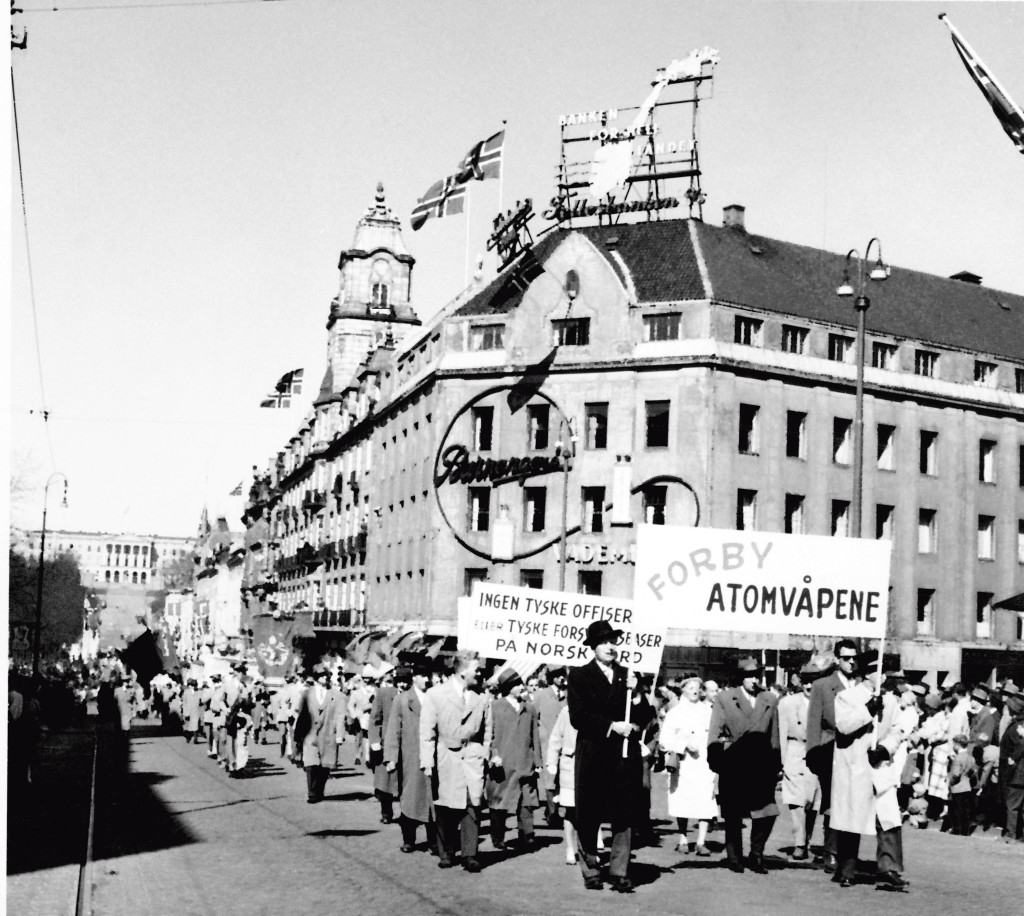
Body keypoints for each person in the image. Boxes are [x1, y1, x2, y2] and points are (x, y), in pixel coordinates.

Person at [567, 619, 656, 893]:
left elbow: (645, 716)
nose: (609, 646)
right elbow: (578, 717)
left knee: (623, 814)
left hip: (623, 757)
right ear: (593, 647)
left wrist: (638, 694)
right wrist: (611, 725)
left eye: (612, 641)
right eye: (603, 642)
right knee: (589, 815)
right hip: (593, 755)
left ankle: (619, 871)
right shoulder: (580, 676)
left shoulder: (628, 675)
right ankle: (591, 869)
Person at [831, 665, 912, 891]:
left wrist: (886, 749)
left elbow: (898, 730)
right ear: (866, 674)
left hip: (880, 766)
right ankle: (846, 869)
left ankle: (889, 869)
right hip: (855, 767)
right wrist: (868, 710)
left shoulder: (891, 701)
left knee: (889, 818)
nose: (884, 677)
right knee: (852, 819)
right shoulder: (846, 697)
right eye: (879, 672)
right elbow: (844, 726)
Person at [707, 656, 780, 875]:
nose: (753, 680)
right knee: (733, 813)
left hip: (761, 763)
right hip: (734, 762)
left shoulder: (769, 699)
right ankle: (734, 856)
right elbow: (715, 731)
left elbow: (774, 734)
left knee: (767, 812)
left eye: (756, 675)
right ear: (741, 678)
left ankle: (756, 854)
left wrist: (776, 763)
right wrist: (716, 758)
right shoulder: (725, 698)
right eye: (749, 676)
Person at [420, 651, 492, 872]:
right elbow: (427, 732)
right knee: (445, 807)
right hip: (445, 757)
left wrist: (485, 754)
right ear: (462, 672)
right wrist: (427, 761)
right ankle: (447, 851)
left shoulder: (482, 698)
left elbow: (488, 731)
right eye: (476, 670)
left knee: (473, 805)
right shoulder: (435, 694)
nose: (480, 674)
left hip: (472, 757)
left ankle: (470, 854)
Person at [805, 638, 859, 872]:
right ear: (837, 659)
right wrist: (813, 754)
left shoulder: (862, 685)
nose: (851, 663)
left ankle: (848, 852)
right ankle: (831, 851)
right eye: (846, 658)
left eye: (854, 658)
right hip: (831, 749)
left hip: (857, 752)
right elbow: (813, 723)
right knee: (832, 801)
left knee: (853, 802)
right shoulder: (823, 686)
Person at [660, 676, 717, 856]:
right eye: (690, 687)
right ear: (683, 690)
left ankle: (701, 841)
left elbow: (715, 734)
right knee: (682, 799)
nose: (694, 690)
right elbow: (664, 740)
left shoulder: (707, 711)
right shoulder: (675, 712)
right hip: (683, 762)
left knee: (705, 799)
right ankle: (683, 838)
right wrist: (683, 745)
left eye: (697, 687)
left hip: (703, 762)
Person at [384, 660, 437, 854]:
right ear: (415, 677)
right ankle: (409, 839)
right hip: (410, 756)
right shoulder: (403, 699)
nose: (427, 680)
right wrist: (391, 757)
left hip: (432, 755)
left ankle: (433, 841)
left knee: (432, 800)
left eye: (429, 676)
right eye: (423, 676)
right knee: (410, 798)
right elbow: (393, 730)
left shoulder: (435, 697)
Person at [487, 669, 543, 851]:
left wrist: (538, 762)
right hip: (503, 764)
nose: (522, 687)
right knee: (499, 802)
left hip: (525, 764)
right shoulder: (495, 707)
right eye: (518, 685)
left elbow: (535, 736)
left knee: (527, 802)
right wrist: (493, 754)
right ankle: (498, 837)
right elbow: (489, 734)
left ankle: (527, 836)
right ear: (508, 688)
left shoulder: (529, 708)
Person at [777, 662, 828, 860]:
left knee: (813, 802)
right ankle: (799, 843)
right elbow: (781, 733)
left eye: (814, 681)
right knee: (796, 801)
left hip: (817, 754)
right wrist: (780, 762)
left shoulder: (826, 703)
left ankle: (806, 840)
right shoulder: (787, 703)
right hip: (795, 753)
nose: (809, 686)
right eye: (806, 681)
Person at [293, 665, 346, 803]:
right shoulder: (306, 694)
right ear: (316, 678)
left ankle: (319, 790)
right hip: (310, 733)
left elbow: (340, 715)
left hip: (328, 733)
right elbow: (302, 714)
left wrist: (340, 734)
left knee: (324, 766)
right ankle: (312, 793)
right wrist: (298, 734)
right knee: (311, 764)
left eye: (326, 675)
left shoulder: (336, 695)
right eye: (322, 675)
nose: (325, 678)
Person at [533, 667, 567, 829]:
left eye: (563, 676)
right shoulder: (540, 696)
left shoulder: (568, 696)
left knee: (561, 778)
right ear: (551, 678)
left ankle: (551, 810)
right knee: (550, 780)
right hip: (546, 743)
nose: (561, 679)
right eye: (557, 676)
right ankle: (553, 814)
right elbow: (534, 719)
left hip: (564, 744)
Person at [546, 703, 580, 865]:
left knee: (590, 811)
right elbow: (555, 738)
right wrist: (551, 762)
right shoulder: (567, 711)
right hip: (570, 766)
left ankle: (588, 849)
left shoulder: (597, 708)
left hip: (590, 766)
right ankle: (570, 848)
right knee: (571, 810)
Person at [369, 664, 399, 824]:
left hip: (407, 744)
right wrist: (375, 741)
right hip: (386, 742)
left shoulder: (417, 695)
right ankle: (386, 812)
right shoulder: (383, 694)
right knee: (385, 781)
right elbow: (375, 718)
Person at [998, 688, 1024, 842]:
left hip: (1018, 774)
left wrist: (1012, 760)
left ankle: (1010, 834)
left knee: (1013, 806)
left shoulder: (1016, 728)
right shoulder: (1018, 725)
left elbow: (1020, 747)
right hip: (1020, 773)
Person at [947, 734, 976, 835]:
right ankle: (965, 830)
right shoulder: (970, 757)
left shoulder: (958, 758)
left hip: (958, 787)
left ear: (957, 745)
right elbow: (973, 772)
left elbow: (956, 774)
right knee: (966, 810)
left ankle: (957, 829)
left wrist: (949, 783)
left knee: (957, 810)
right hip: (967, 786)